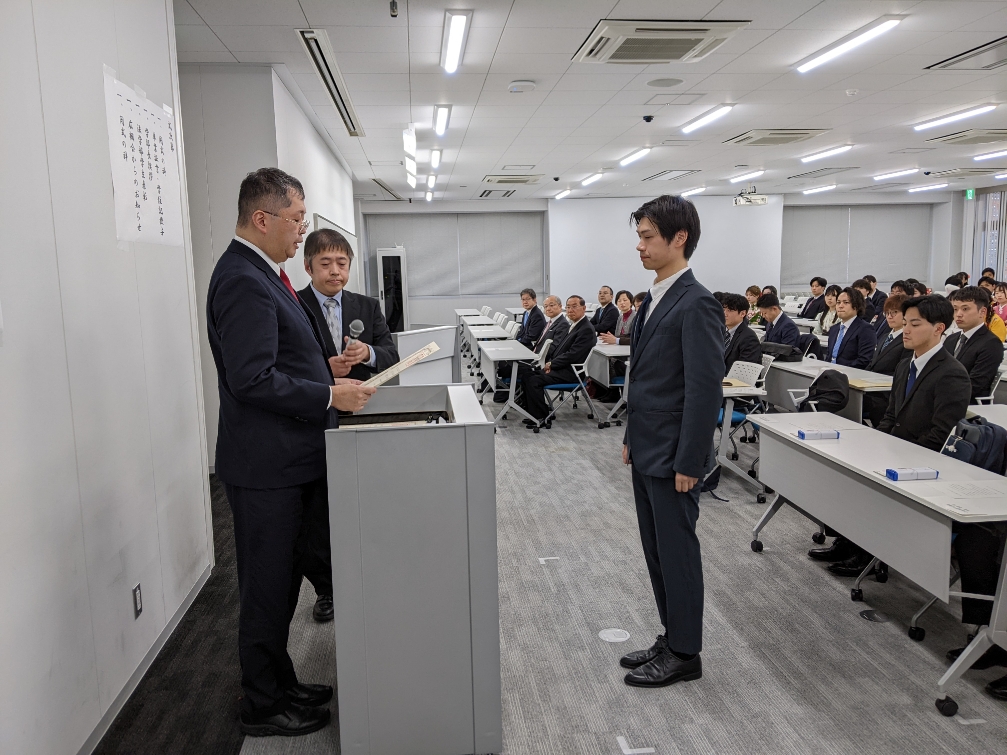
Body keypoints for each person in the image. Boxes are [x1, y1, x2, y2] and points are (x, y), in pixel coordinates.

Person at [206, 168, 374, 737]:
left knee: (282, 584)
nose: (303, 231)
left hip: (289, 461)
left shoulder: (264, 273)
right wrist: (329, 393)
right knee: (265, 589)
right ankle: (261, 702)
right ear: (263, 218)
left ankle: (281, 683)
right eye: (298, 219)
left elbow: (279, 360)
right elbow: (251, 378)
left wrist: (326, 369)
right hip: (265, 468)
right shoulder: (242, 278)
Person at [619, 194, 723, 689]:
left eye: (647, 237)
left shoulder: (697, 301)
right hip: (647, 446)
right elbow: (644, 378)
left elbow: (705, 390)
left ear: (678, 239)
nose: (639, 246)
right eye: (639, 236)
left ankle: (686, 651)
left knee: (677, 553)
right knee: (656, 550)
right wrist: (629, 436)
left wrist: (690, 460)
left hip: (674, 456)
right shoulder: (654, 297)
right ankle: (672, 633)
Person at [814, 295, 971, 576]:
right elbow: (890, 415)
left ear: (938, 328)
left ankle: (869, 554)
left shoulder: (952, 374)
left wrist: (898, 459)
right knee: (849, 469)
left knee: (872, 483)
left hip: (923, 462)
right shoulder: (904, 366)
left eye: (915, 324)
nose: (905, 330)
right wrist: (874, 445)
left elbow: (940, 434)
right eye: (905, 323)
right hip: (896, 449)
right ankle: (849, 541)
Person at [297, 228, 398, 622]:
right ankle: (328, 588)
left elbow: (391, 356)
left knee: (364, 501)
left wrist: (369, 352)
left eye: (342, 263)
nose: (335, 272)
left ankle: (369, 574)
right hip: (314, 420)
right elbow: (286, 368)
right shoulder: (294, 304)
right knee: (319, 511)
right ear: (308, 266)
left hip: (364, 419)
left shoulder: (367, 306)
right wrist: (325, 369)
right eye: (325, 264)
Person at [520, 296, 596, 424]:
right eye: (568, 307)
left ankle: (541, 417)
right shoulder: (574, 325)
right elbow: (561, 350)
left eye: (574, 306)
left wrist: (552, 364)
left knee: (533, 380)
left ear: (584, 308)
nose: (570, 310)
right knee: (526, 375)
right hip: (562, 367)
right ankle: (533, 413)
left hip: (571, 373)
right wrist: (551, 364)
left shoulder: (586, 329)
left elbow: (573, 355)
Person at [944, 286, 1003, 403]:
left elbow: (975, 385)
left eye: (965, 309)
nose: (958, 314)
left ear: (982, 312)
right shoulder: (951, 339)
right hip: (941, 400)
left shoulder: (991, 344)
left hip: (966, 405)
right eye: (955, 309)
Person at [862, 294, 911, 426]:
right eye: (887, 313)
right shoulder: (884, 336)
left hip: (885, 394)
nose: (889, 316)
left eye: (895, 312)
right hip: (870, 388)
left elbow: (902, 371)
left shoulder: (907, 340)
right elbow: (872, 363)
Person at [826, 287, 877, 368]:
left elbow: (864, 360)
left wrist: (839, 369)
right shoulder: (834, 329)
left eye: (846, 302)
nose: (840, 306)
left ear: (856, 306)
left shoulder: (865, 329)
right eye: (838, 302)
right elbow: (829, 356)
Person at [722, 293, 762, 372]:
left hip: (736, 381)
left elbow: (744, 371)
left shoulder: (749, 338)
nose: (724, 314)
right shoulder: (721, 332)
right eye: (723, 310)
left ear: (742, 313)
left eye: (729, 310)